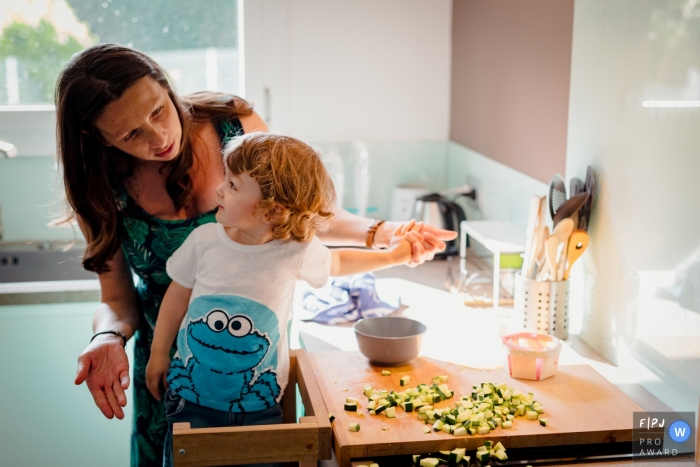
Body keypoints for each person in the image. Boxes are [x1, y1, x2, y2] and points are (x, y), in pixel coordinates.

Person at [56, 43, 456, 467]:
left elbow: (302, 214)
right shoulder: (98, 187)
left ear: (166, 86)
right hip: (171, 378)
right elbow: (117, 301)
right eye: (131, 134)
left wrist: (385, 236)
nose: (159, 138)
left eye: (158, 111)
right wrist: (107, 337)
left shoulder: (234, 125)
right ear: (96, 137)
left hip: (257, 373)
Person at [146, 132, 419, 466]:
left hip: (260, 405)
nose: (219, 190)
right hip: (189, 401)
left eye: (232, 186)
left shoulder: (294, 251)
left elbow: (339, 261)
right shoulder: (204, 242)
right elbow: (177, 296)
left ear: (271, 211)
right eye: (226, 179)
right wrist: (159, 353)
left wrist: (394, 256)